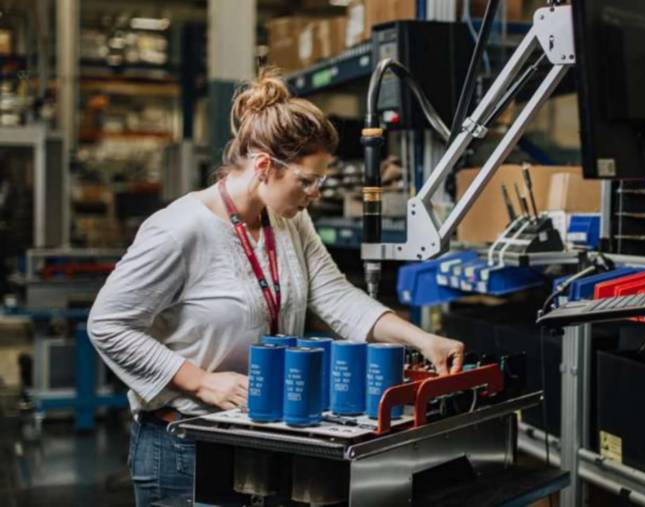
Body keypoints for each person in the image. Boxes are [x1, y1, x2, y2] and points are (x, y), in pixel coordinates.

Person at [87, 68, 465, 507]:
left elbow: (337, 297)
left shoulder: (289, 221)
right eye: (306, 181)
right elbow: (109, 324)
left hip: (262, 440)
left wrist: (423, 339)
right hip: (185, 447)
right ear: (264, 166)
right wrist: (202, 382)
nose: (315, 194)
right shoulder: (179, 230)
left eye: (320, 181)